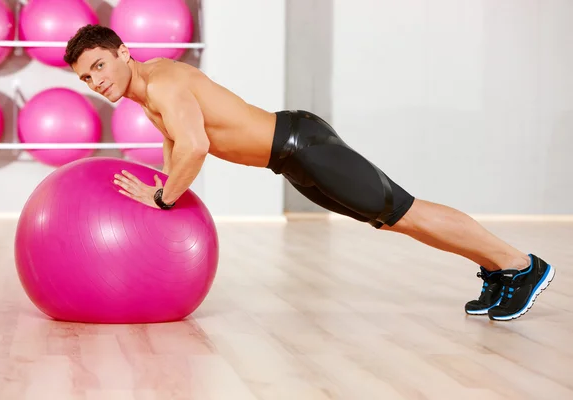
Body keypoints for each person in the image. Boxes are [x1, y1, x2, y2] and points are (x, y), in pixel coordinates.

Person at [64, 24, 555, 321]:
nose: (96, 81)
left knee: (404, 211)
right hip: (292, 159)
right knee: (392, 220)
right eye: (86, 77)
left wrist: (164, 200)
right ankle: (499, 271)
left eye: (100, 65)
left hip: (303, 146)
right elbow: (175, 150)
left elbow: (196, 147)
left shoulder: (166, 83)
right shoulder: (149, 95)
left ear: (123, 51)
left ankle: (523, 265)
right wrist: (158, 187)